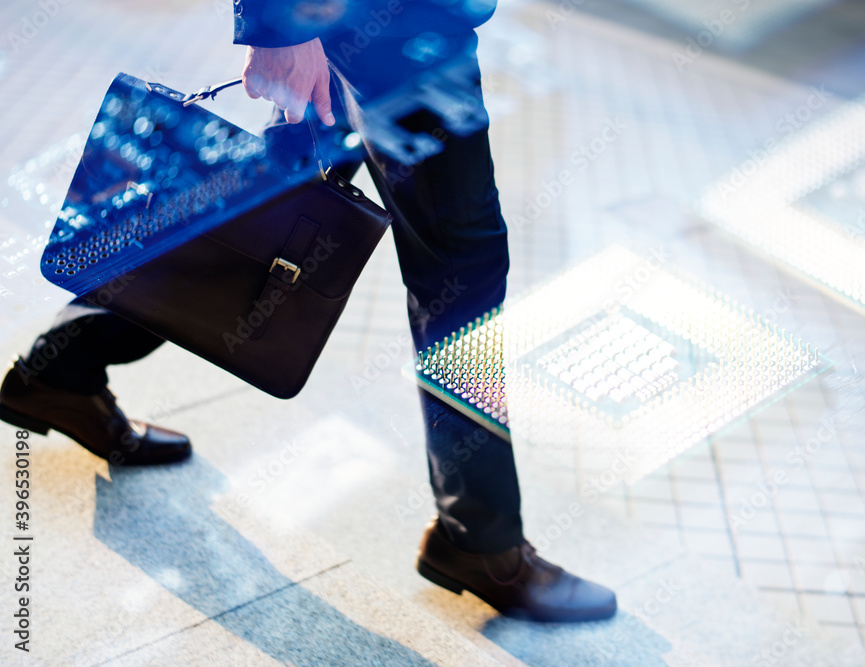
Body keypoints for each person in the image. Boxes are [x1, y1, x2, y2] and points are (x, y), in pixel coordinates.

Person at [0, 0, 617, 622]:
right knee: (461, 279)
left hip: (364, 25)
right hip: (397, 31)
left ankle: (60, 371)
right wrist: (275, 25)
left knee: (272, 222)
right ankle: (482, 542)